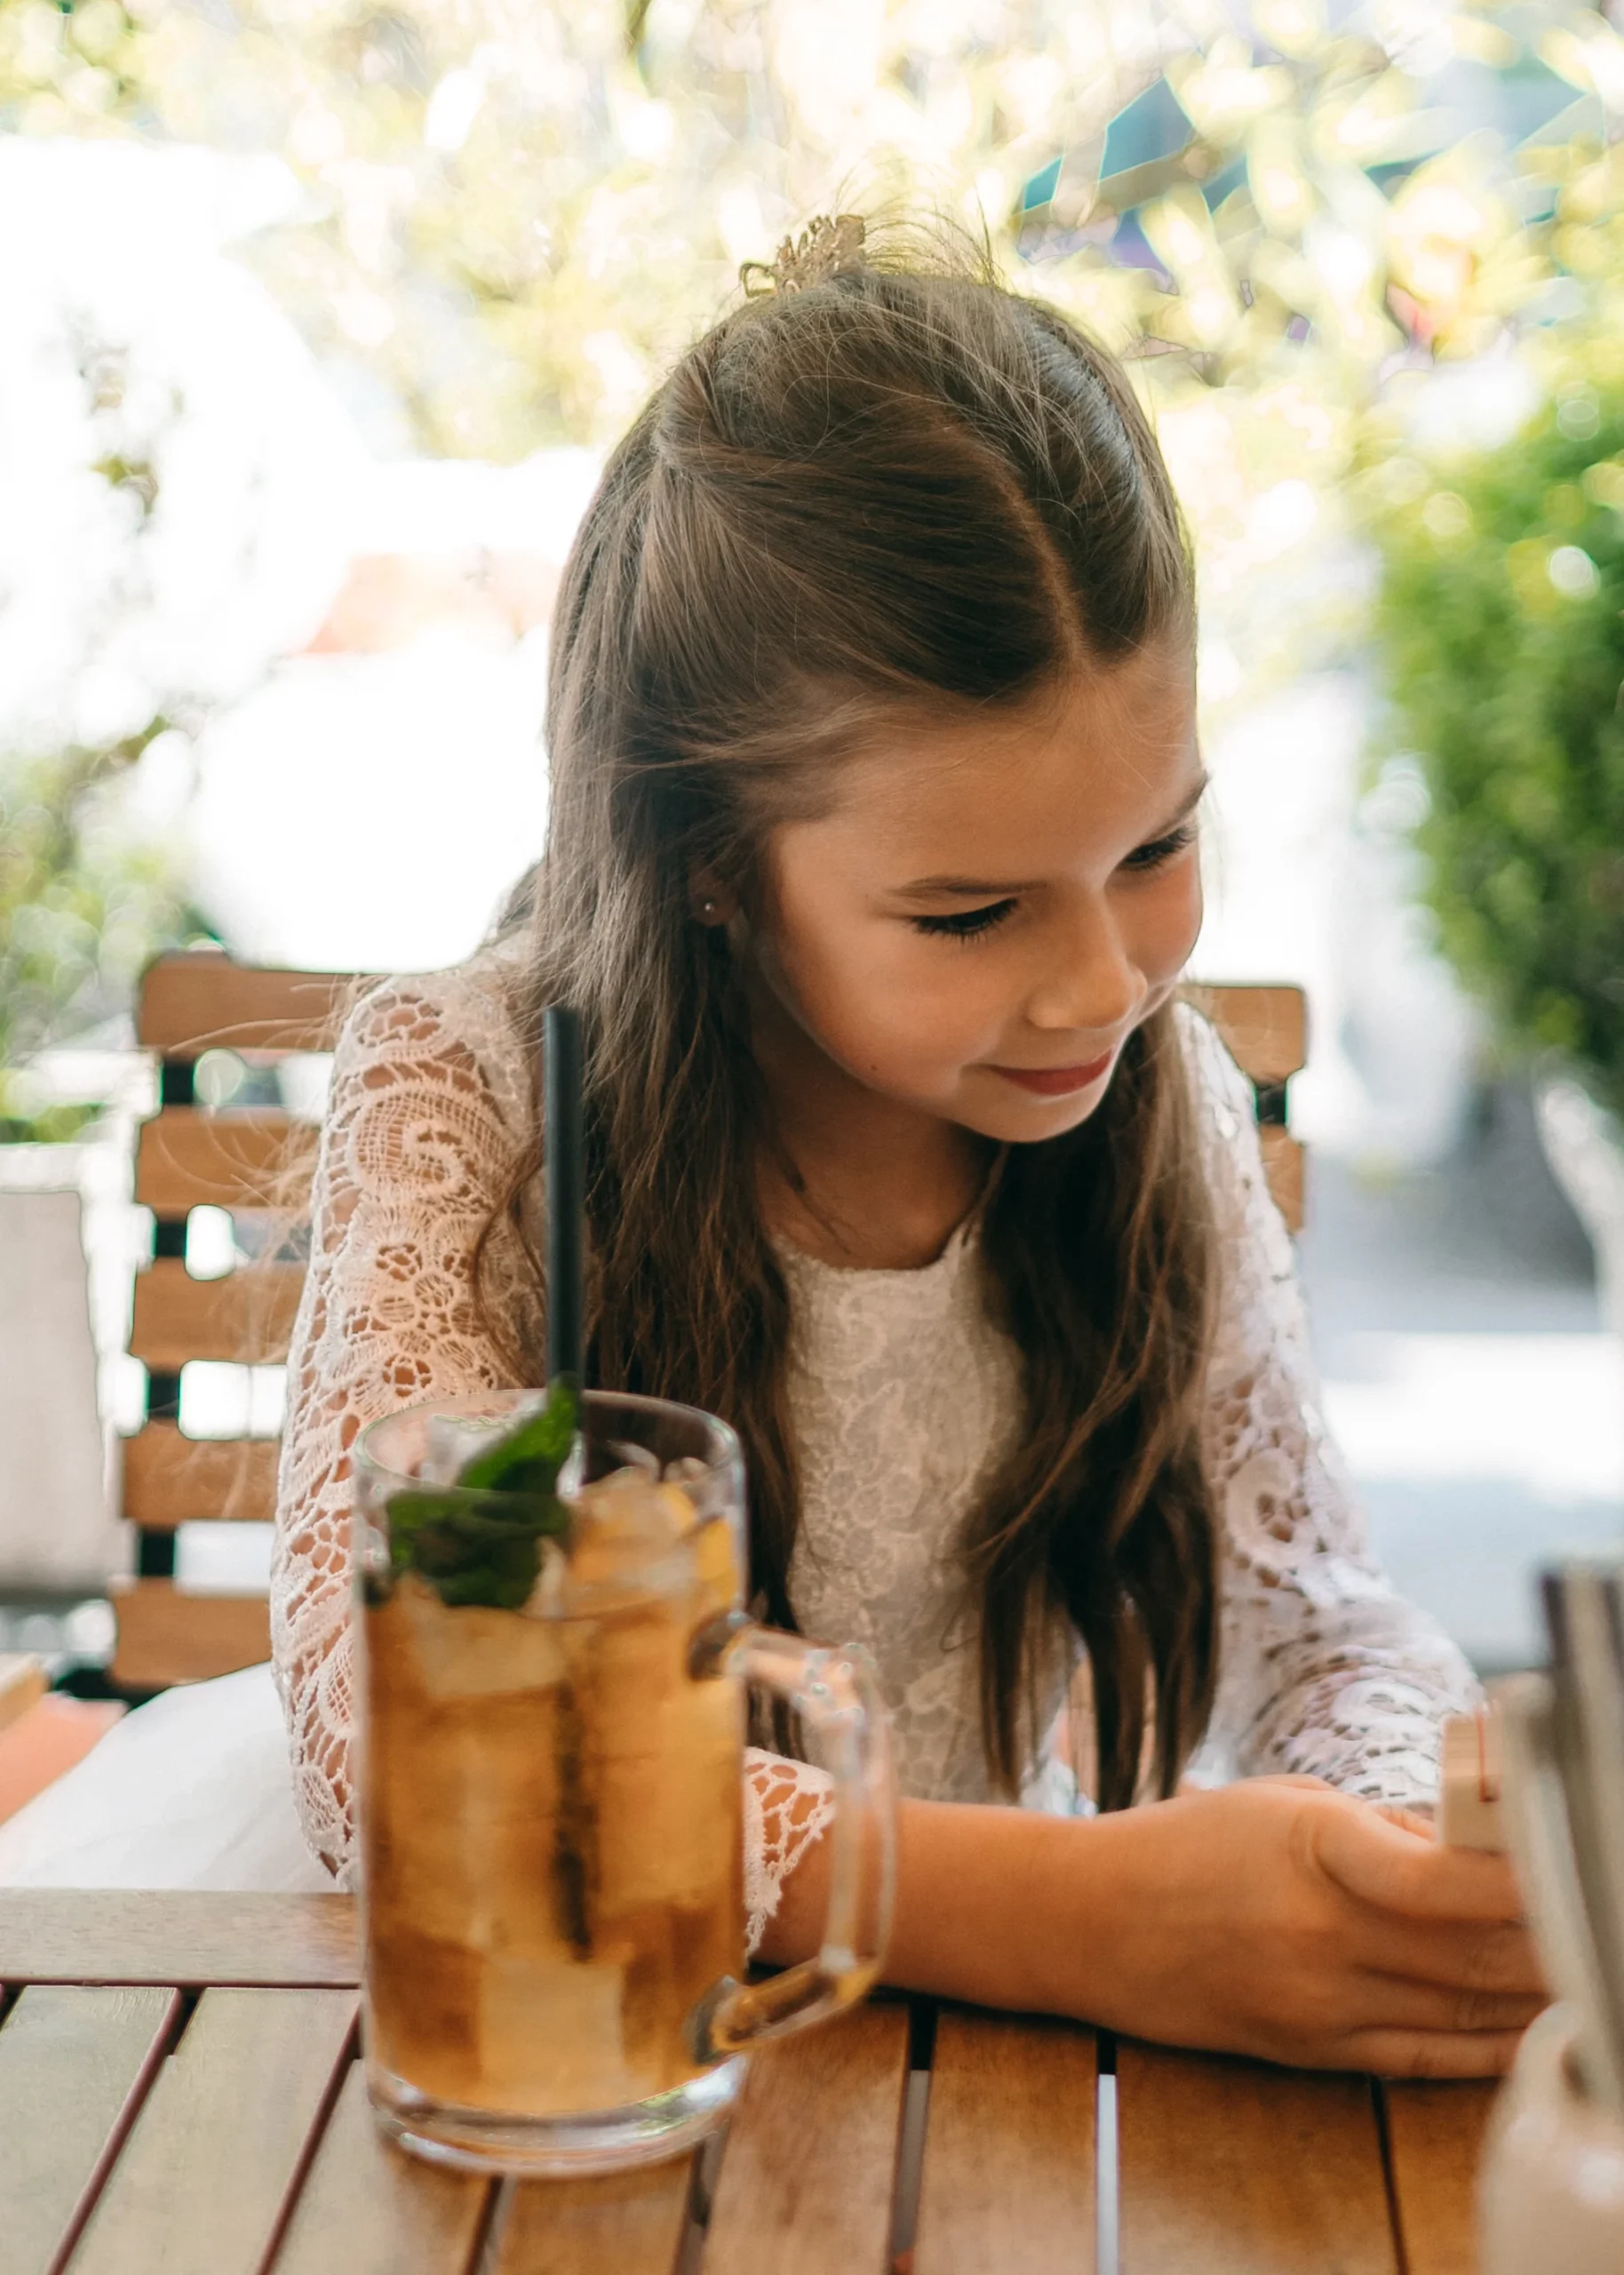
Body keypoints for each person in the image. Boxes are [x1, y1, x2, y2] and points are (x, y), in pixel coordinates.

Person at [4, 216, 1543, 2075]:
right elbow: (410, 1740)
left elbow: (1313, 1618)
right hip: (530, 2021)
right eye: (968, 913)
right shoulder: (471, 1094)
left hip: (964, 2041)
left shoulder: (1159, 1104)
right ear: (711, 867)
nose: (1096, 987)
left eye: (1151, 850)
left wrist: (1376, 1846)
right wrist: (1077, 1908)